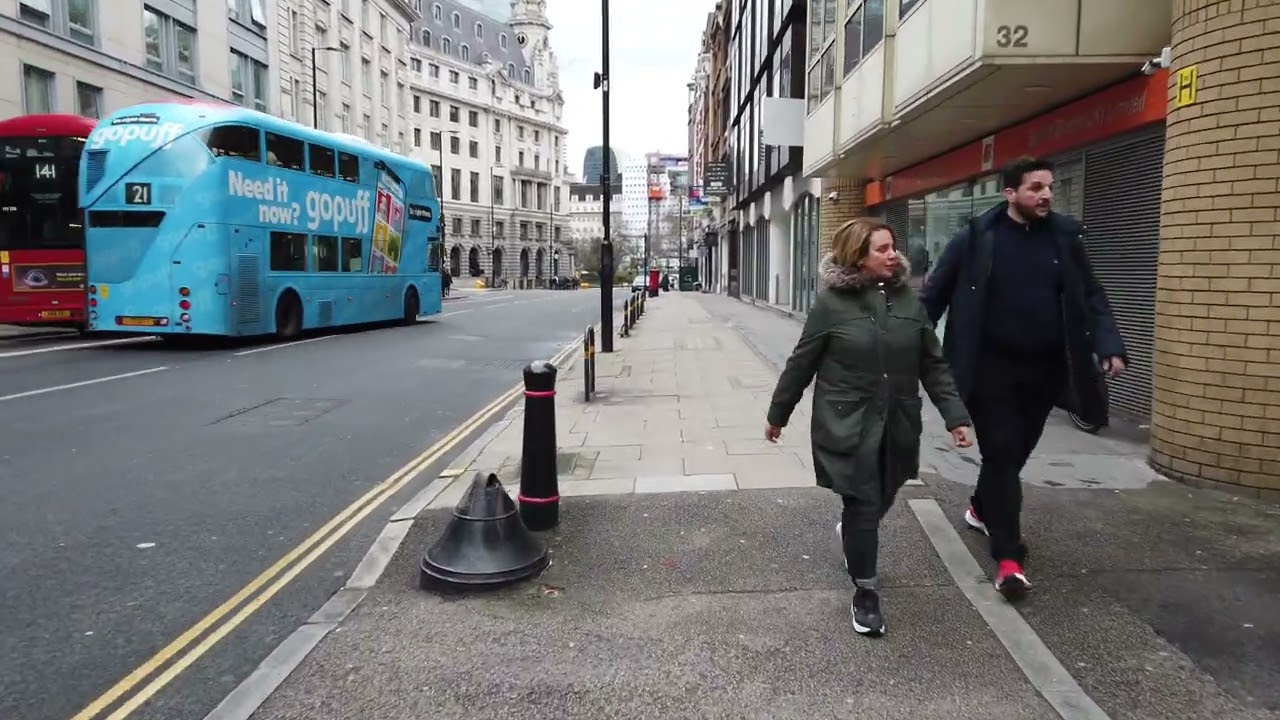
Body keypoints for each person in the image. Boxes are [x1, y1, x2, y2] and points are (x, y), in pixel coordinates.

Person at [920, 156, 1126, 601]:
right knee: (1001, 451)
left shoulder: (1065, 239)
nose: (1046, 195)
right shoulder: (976, 239)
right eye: (1035, 188)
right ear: (1010, 193)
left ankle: (979, 506)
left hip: (1046, 370)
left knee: (1011, 457)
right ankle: (1009, 558)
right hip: (989, 371)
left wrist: (1108, 343)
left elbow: (1092, 294)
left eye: (1049, 187)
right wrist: (903, 351)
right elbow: (931, 298)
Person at [764, 217, 974, 638]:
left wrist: (956, 416)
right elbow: (801, 362)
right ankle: (865, 591)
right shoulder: (831, 305)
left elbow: (932, 363)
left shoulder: (910, 302)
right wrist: (778, 413)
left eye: (893, 246)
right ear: (858, 256)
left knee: (886, 491)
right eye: (882, 248)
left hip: (897, 420)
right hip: (849, 421)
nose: (893, 254)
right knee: (862, 502)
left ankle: (856, 534)